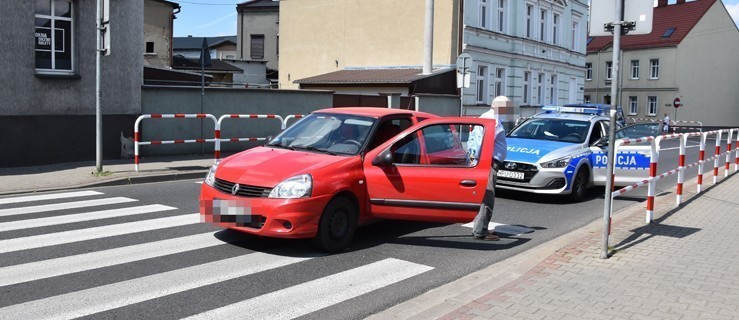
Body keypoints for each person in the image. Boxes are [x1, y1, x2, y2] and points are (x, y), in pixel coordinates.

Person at [467, 104, 507, 241]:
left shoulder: (490, 118)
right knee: (487, 199)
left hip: (486, 162)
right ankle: (481, 231)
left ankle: (480, 228)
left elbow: (474, 141)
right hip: (487, 163)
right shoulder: (492, 121)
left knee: (485, 198)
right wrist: (478, 161)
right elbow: (480, 142)